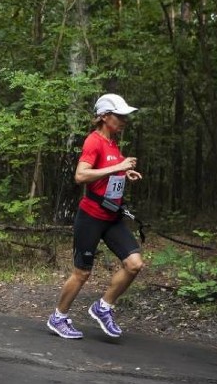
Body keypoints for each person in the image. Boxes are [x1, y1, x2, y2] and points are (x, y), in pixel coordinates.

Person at [46, 93, 144, 340]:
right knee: (82, 272)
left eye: (125, 116)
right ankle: (58, 317)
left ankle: (104, 307)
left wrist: (123, 173)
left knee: (134, 264)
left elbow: (107, 171)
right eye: (119, 116)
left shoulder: (111, 142)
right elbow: (81, 175)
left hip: (111, 217)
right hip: (90, 217)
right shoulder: (94, 141)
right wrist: (118, 167)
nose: (124, 121)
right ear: (104, 117)